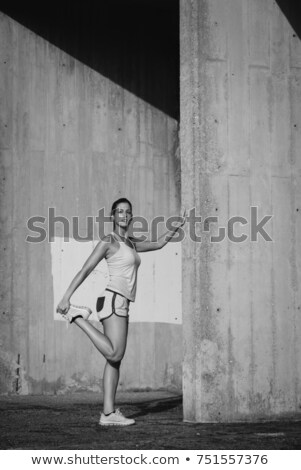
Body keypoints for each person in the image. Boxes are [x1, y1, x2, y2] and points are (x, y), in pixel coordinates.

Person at [56, 198, 186, 426]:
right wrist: (67, 296)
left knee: (114, 361)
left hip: (122, 302)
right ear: (113, 216)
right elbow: (86, 268)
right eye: (120, 211)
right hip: (113, 298)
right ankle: (77, 317)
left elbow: (159, 244)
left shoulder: (131, 243)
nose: (124, 215)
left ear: (131, 216)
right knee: (115, 354)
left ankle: (108, 414)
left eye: (128, 212)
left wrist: (178, 224)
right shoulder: (109, 241)